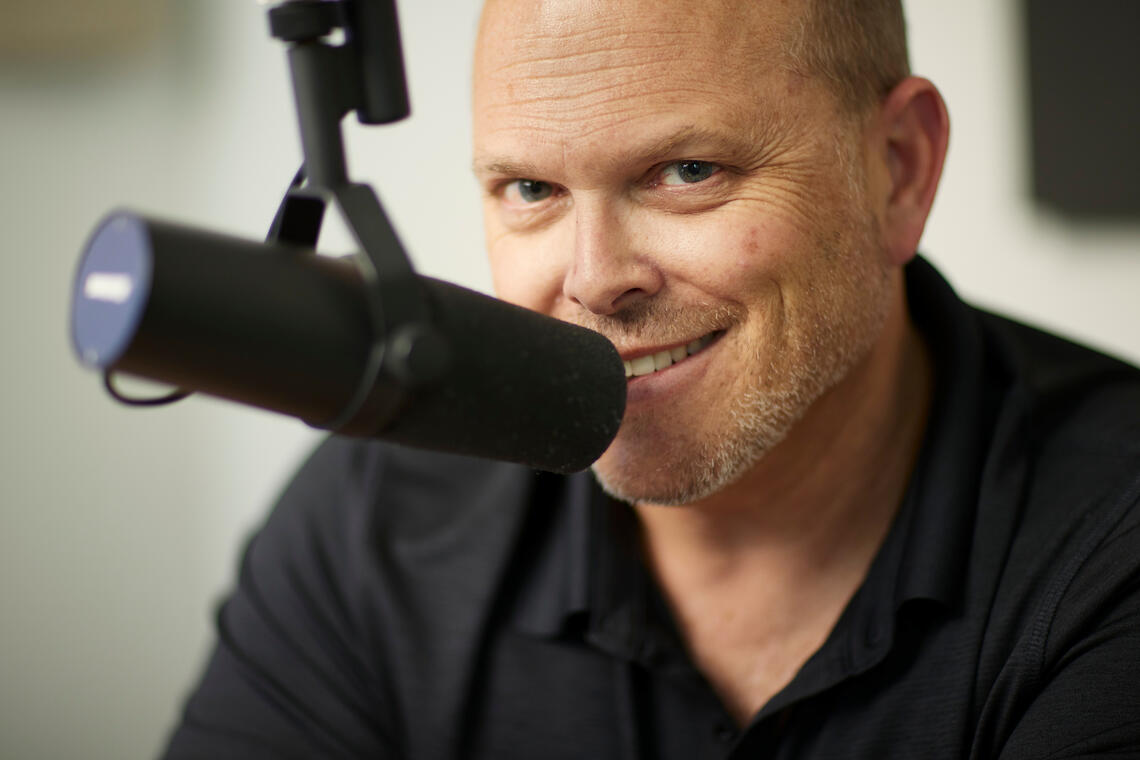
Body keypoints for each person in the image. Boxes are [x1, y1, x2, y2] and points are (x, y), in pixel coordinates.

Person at [163, 0, 1140, 757]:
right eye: (532, 190)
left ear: (898, 168)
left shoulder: (1115, 533)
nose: (594, 279)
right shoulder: (375, 524)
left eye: (684, 170)